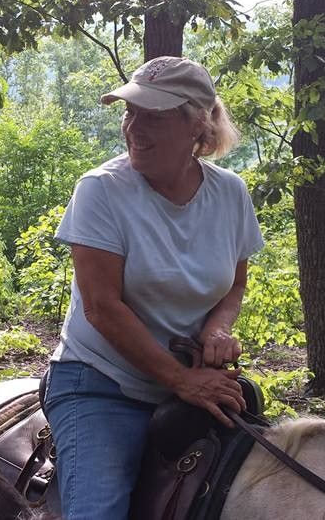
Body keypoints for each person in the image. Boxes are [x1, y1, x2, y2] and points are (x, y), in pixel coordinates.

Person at [43, 56, 265, 520]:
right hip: (101, 386)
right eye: (130, 112)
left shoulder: (230, 193)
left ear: (196, 126)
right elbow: (102, 308)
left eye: (154, 116)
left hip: (187, 381)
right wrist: (183, 380)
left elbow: (234, 283)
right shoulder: (101, 190)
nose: (134, 128)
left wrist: (217, 330)